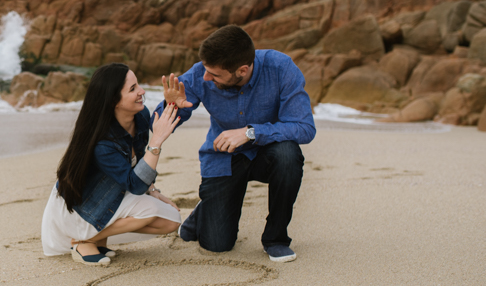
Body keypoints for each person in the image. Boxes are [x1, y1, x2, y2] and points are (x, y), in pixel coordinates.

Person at [154, 25, 316, 263]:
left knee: (288, 154)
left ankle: (276, 239)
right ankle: (201, 215)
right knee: (217, 245)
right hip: (223, 158)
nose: (206, 78)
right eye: (206, 71)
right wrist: (172, 106)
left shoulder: (280, 68)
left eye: (215, 75)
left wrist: (251, 133)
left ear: (242, 70)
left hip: (266, 154)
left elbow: (304, 128)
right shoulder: (203, 71)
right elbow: (155, 125)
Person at [41, 63, 182, 265]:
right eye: (132, 89)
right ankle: (83, 239)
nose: (142, 91)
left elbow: (141, 160)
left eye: (138, 85)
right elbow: (135, 184)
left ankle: (95, 238)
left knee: (172, 220)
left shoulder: (140, 116)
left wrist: (153, 190)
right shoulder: (103, 143)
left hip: (116, 193)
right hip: (85, 207)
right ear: (113, 101)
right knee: (151, 211)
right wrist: (156, 143)